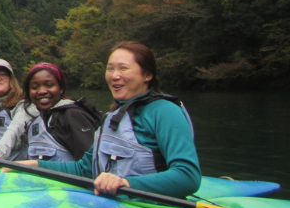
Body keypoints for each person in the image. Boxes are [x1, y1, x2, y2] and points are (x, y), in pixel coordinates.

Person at [20, 42, 201, 198]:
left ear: (147, 75)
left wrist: (125, 183)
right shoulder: (111, 117)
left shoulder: (165, 111)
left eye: (123, 68)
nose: (114, 75)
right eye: (110, 68)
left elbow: (187, 176)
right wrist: (35, 165)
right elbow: (85, 169)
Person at [0, 63, 100, 169]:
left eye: (49, 85)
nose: (41, 91)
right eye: (34, 87)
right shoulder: (34, 116)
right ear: (29, 93)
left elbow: (90, 168)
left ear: (61, 88)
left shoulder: (72, 115)